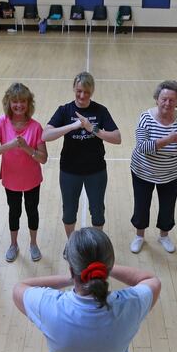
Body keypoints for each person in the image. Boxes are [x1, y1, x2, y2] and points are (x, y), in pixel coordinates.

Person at [12, 227, 161, 352]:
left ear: (71, 270)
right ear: (106, 268)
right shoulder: (130, 305)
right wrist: (105, 268)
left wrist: (71, 277)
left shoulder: (49, 306)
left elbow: (20, 288)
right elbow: (151, 280)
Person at [42, 72, 121, 238]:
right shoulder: (64, 110)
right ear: (74, 89)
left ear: (91, 91)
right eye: (79, 91)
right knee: (69, 211)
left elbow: (117, 137)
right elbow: (45, 135)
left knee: (97, 211)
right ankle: (71, 244)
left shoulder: (100, 110)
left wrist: (92, 128)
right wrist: (71, 126)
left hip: (96, 171)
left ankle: (97, 244)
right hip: (69, 171)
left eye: (86, 92)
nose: (82, 95)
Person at [129, 80, 177, 254]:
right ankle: (139, 236)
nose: (167, 103)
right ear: (157, 99)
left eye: (171, 100)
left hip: (171, 174)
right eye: (164, 99)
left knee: (167, 206)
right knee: (142, 205)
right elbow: (142, 147)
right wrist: (168, 140)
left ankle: (164, 236)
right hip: (143, 171)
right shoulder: (145, 118)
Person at [0, 82, 48, 263]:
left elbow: (43, 158)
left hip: (32, 179)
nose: (19, 105)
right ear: (8, 103)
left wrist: (27, 148)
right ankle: (13, 244)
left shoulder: (36, 127)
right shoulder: (0, 122)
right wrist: (11, 144)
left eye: (23, 101)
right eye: (15, 101)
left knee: (32, 211)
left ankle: (33, 244)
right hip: (11, 179)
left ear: (29, 104)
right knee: (14, 212)